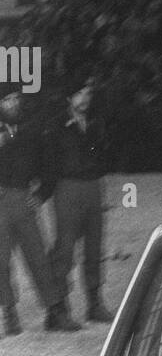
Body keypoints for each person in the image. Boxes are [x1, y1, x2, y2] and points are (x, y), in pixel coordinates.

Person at [0, 83, 77, 336]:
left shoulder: (32, 132)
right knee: (1, 261)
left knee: (38, 257)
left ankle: (54, 311)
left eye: (15, 98)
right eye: (7, 100)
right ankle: (9, 312)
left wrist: (41, 193)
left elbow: (49, 165)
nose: (13, 104)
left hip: (24, 200)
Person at [46, 71, 113, 325]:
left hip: (93, 186)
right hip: (68, 187)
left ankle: (94, 303)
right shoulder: (56, 125)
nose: (84, 99)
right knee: (64, 248)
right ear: (68, 97)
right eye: (79, 94)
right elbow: (48, 160)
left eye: (87, 93)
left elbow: (106, 152)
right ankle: (57, 309)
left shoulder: (96, 121)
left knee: (95, 246)